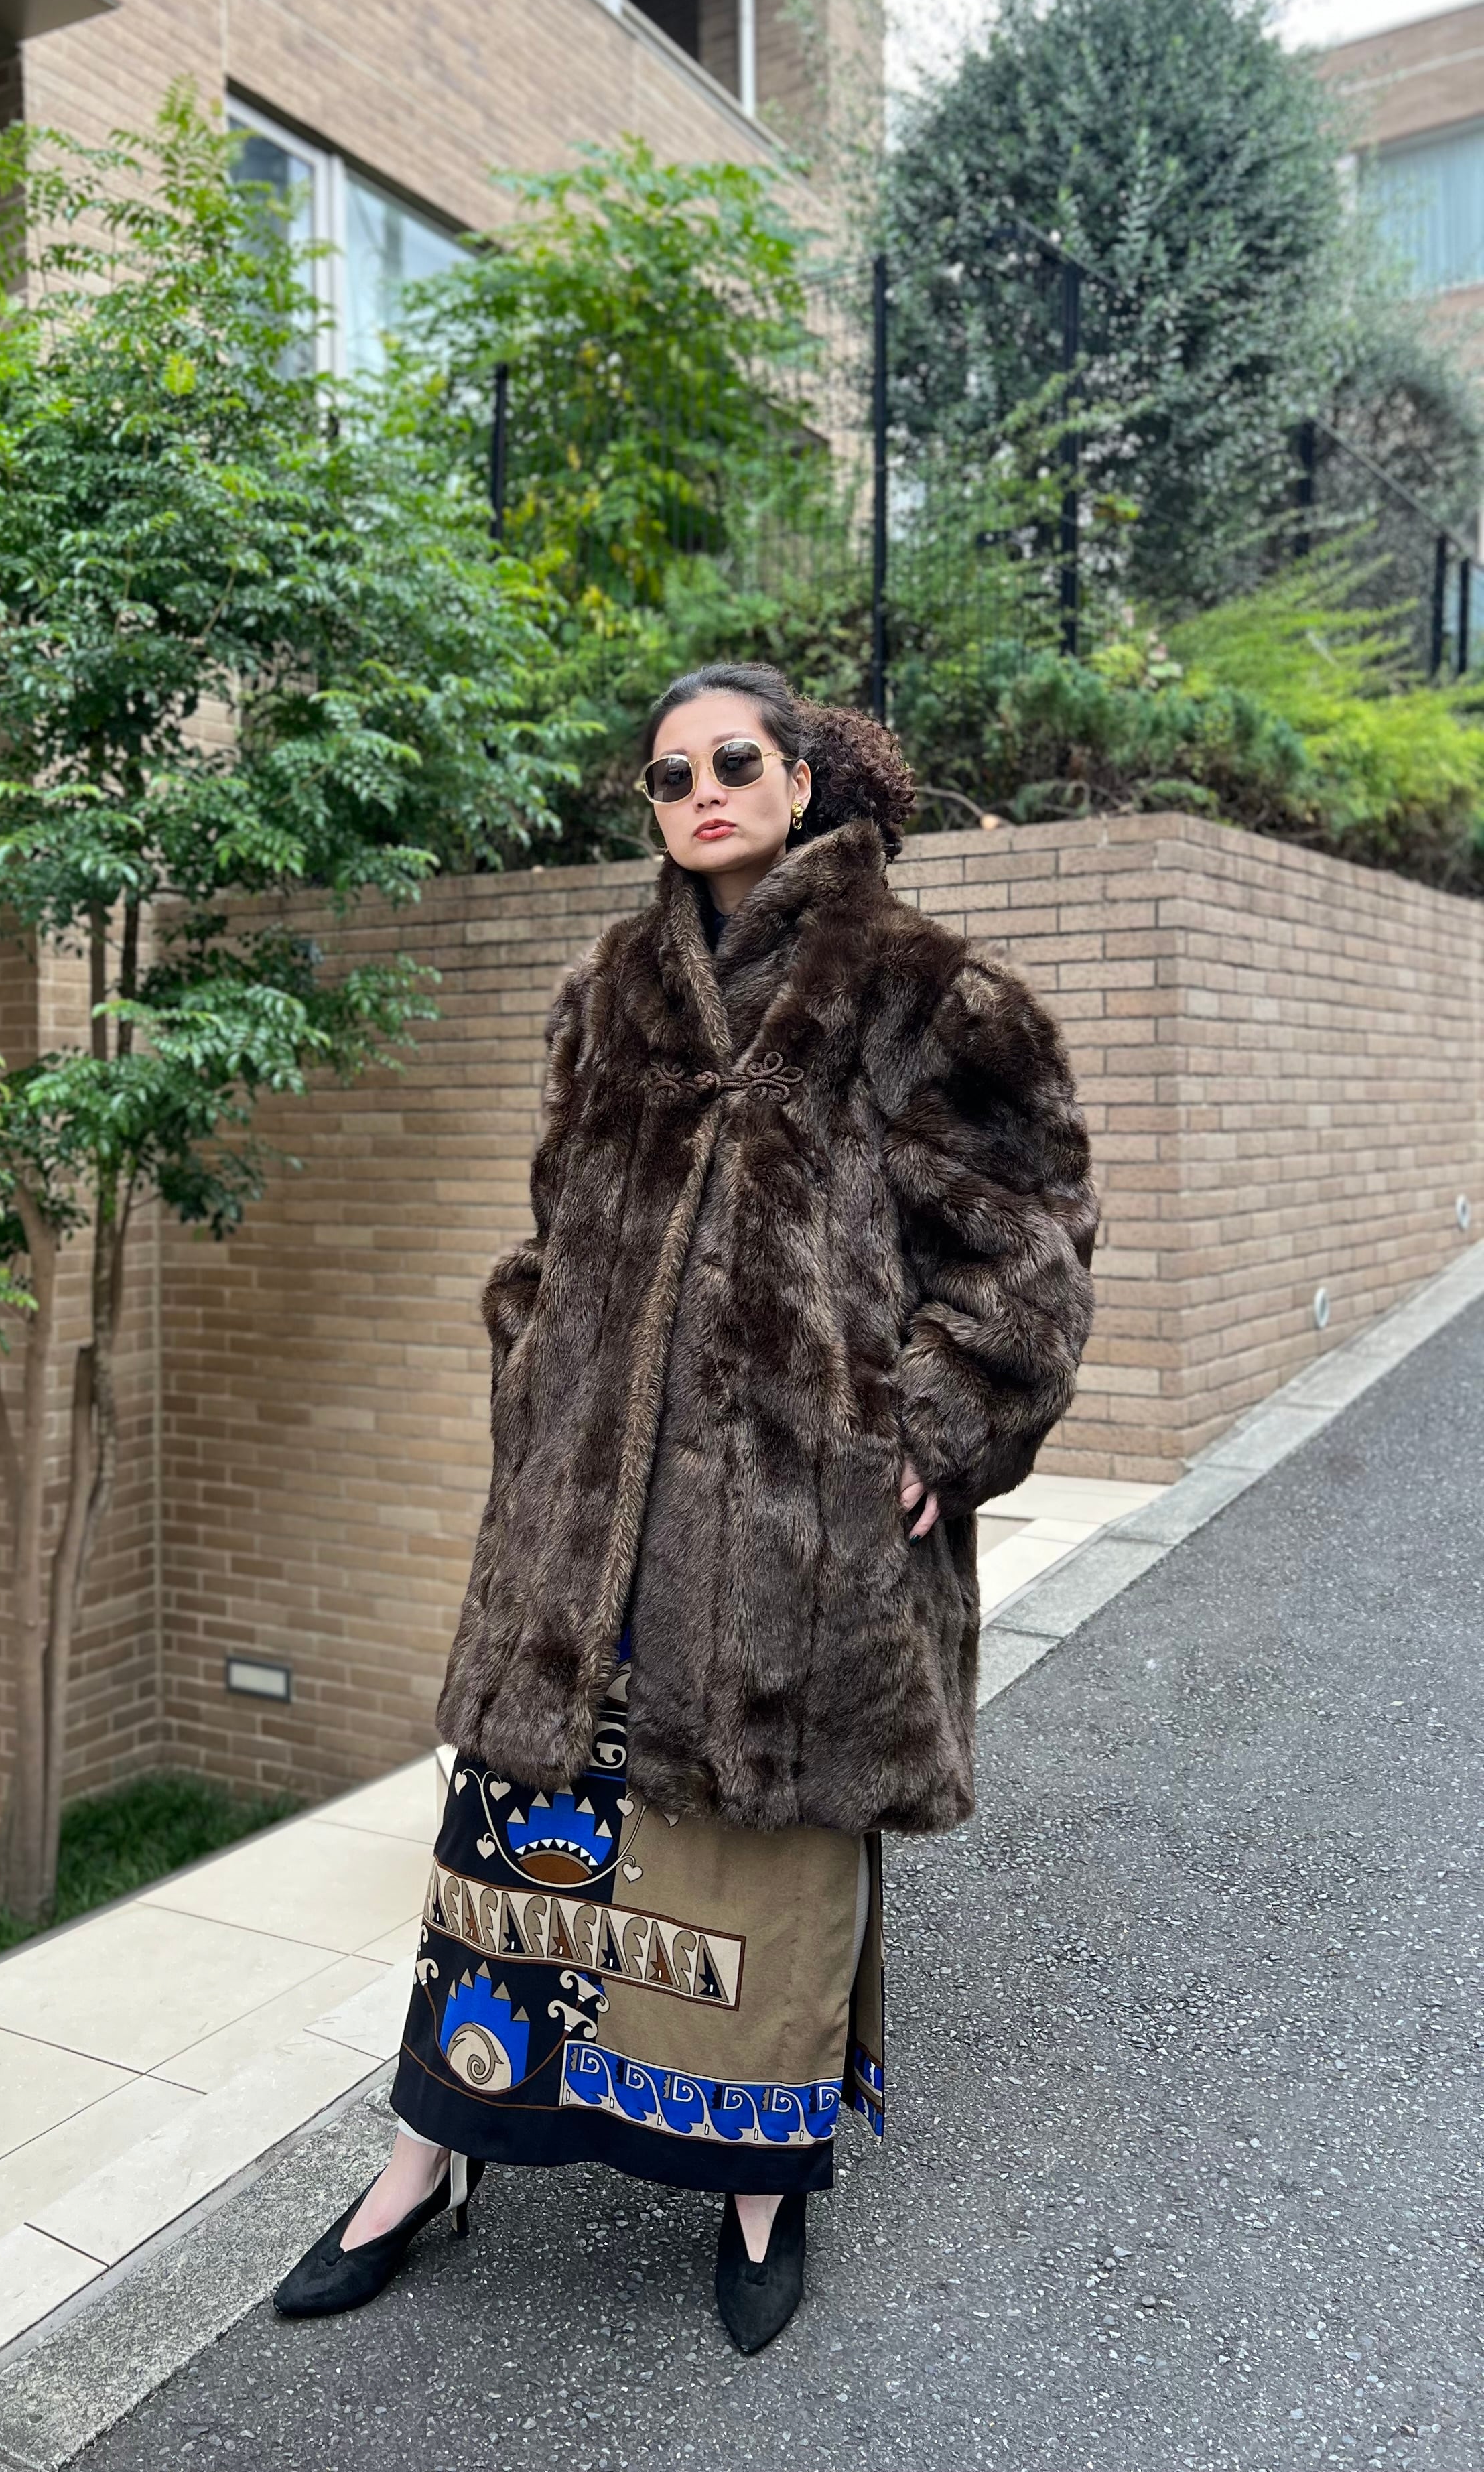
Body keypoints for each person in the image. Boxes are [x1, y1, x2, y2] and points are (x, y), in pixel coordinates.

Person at [273, 664, 1099, 2351]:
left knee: (760, 1861)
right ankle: (426, 2157)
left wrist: (942, 1416)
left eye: (734, 762)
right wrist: (534, 1375)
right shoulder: (608, 997)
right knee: (512, 1843)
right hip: (588, 1515)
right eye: (670, 776)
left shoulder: (929, 995)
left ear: (801, 781)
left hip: (800, 1526)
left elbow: (1033, 1246)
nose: (703, 792)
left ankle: (759, 2184)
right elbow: (553, 1227)